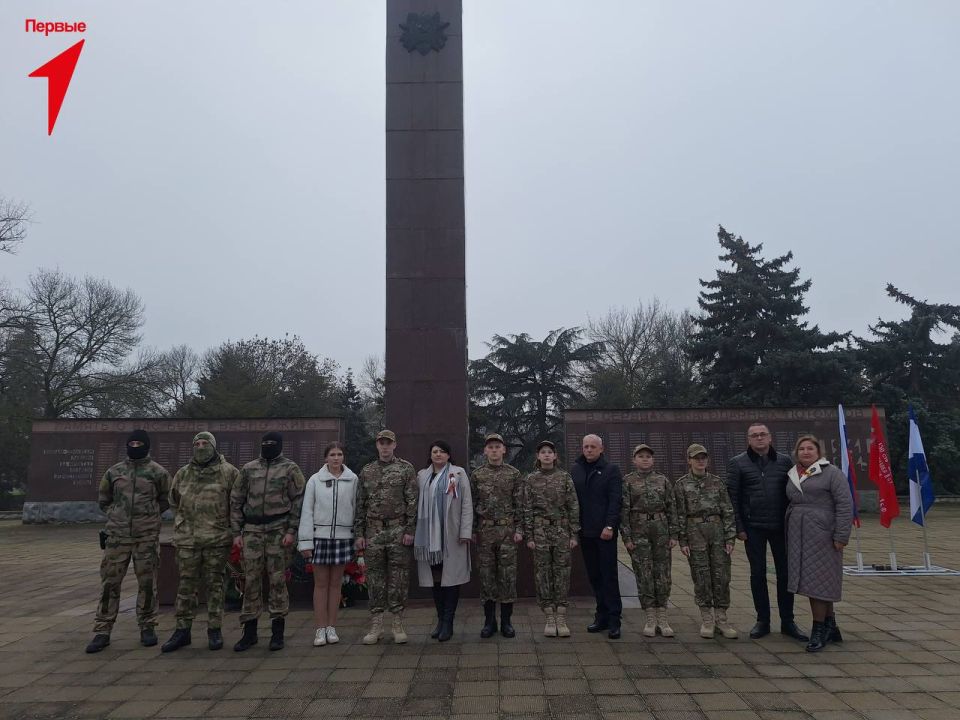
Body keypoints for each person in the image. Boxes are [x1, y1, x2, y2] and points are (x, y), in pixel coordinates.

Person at [86, 429, 170, 653]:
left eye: (138, 443)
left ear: (146, 446)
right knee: (110, 584)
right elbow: (104, 499)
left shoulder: (158, 472)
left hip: (146, 537)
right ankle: (102, 630)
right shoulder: (114, 472)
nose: (135, 446)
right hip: (117, 537)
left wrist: (149, 517)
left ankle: (147, 626)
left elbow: (166, 499)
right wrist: (117, 515)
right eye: (131, 442)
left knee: (147, 585)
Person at [726, 423, 808, 641]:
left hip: (781, 526)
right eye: (754, 435)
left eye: (763, 434)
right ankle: (762, 620)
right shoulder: (737, 463)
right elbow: (732, 497)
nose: (759, 438)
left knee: (785, 574)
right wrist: (739, 527)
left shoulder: (784, 462)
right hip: (753, 528)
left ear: (770, 438)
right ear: (749, 440)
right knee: (758, 574)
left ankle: (788, 621)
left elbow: (793, 492)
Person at [162, 432, 240, 653]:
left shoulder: (229, 472)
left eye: (205, 443)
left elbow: (236, 504)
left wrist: (231, 531)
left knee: (215, 587)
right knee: (185, 587)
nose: (201, 446)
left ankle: (214, 630)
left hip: (216, 540)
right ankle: (182, 630)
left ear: (214, 447)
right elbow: (173, 501)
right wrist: (183, 524)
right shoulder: (183, 474)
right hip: (188, 540)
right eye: (197, 443)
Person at [230, 432, 306, 652]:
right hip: (252, 530)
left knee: (277, 580)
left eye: (272, 444)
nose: (268, 447)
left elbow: (298, 501)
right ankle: (250, 632)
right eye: (265, 444)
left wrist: (292, 530)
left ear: (280, 446)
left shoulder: (290, 469)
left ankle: (277, 632)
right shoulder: (248, 468)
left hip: (278, 530)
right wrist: (237, 532)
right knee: (251, 580)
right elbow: (236, 500)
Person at [785, 435, 852, 652]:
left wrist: (841, 536)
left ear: (818, 451)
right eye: (801, 448)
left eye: (810, 448)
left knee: (818, 583)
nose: (805, 452)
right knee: (819, 583)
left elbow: (844, 504)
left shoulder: (832, 473)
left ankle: (818, 630)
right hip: (800, 536)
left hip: (822, 534)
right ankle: (831, 627)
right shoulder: (794, 473)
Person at [353, 430, 418, 645]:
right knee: (375, 578)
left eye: (389, 443)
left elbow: (412, 503)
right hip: (373, 532)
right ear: (377, 445)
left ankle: (398, 623)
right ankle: (377, 624)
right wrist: (359, 534)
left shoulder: (405, 469)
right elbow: (360, 505)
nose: (385, 447)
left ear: (395, 445)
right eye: (382, 443)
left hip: (398, 530)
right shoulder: (367, 471)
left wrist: (410, 530)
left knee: (399, 578)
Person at [297, 441, 358, 647]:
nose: (336, 458)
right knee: (321, 584)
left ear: (344, 457)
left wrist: (356, 536)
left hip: (342, 537)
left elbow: (356, 509)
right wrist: (305, 542)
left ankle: (332, 627)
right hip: (320, 538)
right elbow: (307, 511)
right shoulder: (315, 480)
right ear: (326, 458)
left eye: (339, 454)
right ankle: (320, 628)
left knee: (336, 584)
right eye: (332, 454)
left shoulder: (353, 479)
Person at [677, 444, 738, 640]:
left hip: (717, 531)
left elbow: (727, 511)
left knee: (721, 575)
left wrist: (730, 537)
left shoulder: (717, 483)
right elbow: (679, 514)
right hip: (695, 532)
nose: (700, 461)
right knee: (701, 575)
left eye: (703, 457)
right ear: (689, 460)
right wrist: (683, 540)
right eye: (696, 458)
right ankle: (707, 619)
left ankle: (721, 618)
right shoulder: (681, 485)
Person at [414, 441, 473, 642]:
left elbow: (466, 503)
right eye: (434, 452)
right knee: (436, 579)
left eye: (442, 452)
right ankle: (440, 620)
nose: (438, 455)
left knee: (451, 579)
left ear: (449, 455)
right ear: (430, 455)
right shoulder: (422, 475)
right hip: (428, 537)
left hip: (451, 534)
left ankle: (448, 622)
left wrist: (466, 531)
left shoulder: (458, 474)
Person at [620, 443, 679, 638]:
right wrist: (627, 538)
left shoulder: (662, 480)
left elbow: (671, 508)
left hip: (661, 531)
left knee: (663, 574)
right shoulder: (627, 481)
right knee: (644, 574)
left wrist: (674, 534)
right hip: (639, 532)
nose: (645, 459)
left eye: (648, 456)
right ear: (634, 459)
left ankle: (663, 616)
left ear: (653, 460)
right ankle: (650, 617)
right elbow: (624, 512)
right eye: (641, 456)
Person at [523, 440, 580, 637]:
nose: (546, 455)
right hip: (540, 531)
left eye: (550, 452)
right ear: (538, 457)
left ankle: (561, 616)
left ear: (555, 456)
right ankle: (549, 616)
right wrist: (529, 535)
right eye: (543, 452)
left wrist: (574, 533)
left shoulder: (564, 478)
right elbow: (527, 508)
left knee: (562, 572)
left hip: (561, 531)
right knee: (542, 573)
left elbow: (573, 506)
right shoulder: (530, 479)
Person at [470, 433, 523, 638]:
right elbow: (472, 506)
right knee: (487, 577)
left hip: (507, 532)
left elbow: (520, 504)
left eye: (497, 447)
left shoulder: (514, 474)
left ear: (504, 450)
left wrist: (519, 530)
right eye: (490, 447)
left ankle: (507, 622)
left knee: (507, 577)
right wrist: (473, 531)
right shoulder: (477, 475)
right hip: (485, 532)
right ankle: (489, 621)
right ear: (485, 451)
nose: (493, 450)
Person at [571, 434, 623, 639]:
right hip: (585, 532)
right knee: (594, 576)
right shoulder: (576, 469)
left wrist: (610, 525)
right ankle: (600, 616)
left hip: (605, 533)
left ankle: (614, 620)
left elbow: (615, 500)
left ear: (601, 449)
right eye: (586, 446)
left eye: (593, 446)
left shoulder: (611, 470)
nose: (589, 450)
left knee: (608, 576)